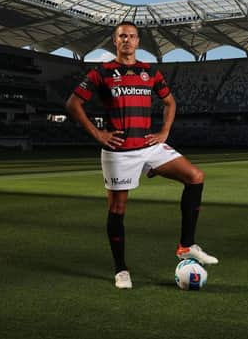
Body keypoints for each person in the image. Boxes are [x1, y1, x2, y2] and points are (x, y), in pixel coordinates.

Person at [65, 21, 218, 289]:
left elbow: (170, 102)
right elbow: (73, 103)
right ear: (115, 41)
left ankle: (186, 245)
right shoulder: (102, 73)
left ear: (138, 42)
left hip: (149, 146)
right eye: (122, 36)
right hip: (119, 152)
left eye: (132, 36)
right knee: (117, 209)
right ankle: (121, 270)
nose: (127, 40)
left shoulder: (150, 72)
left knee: (195, 176)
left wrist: (164, 132)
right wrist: (98, 134)